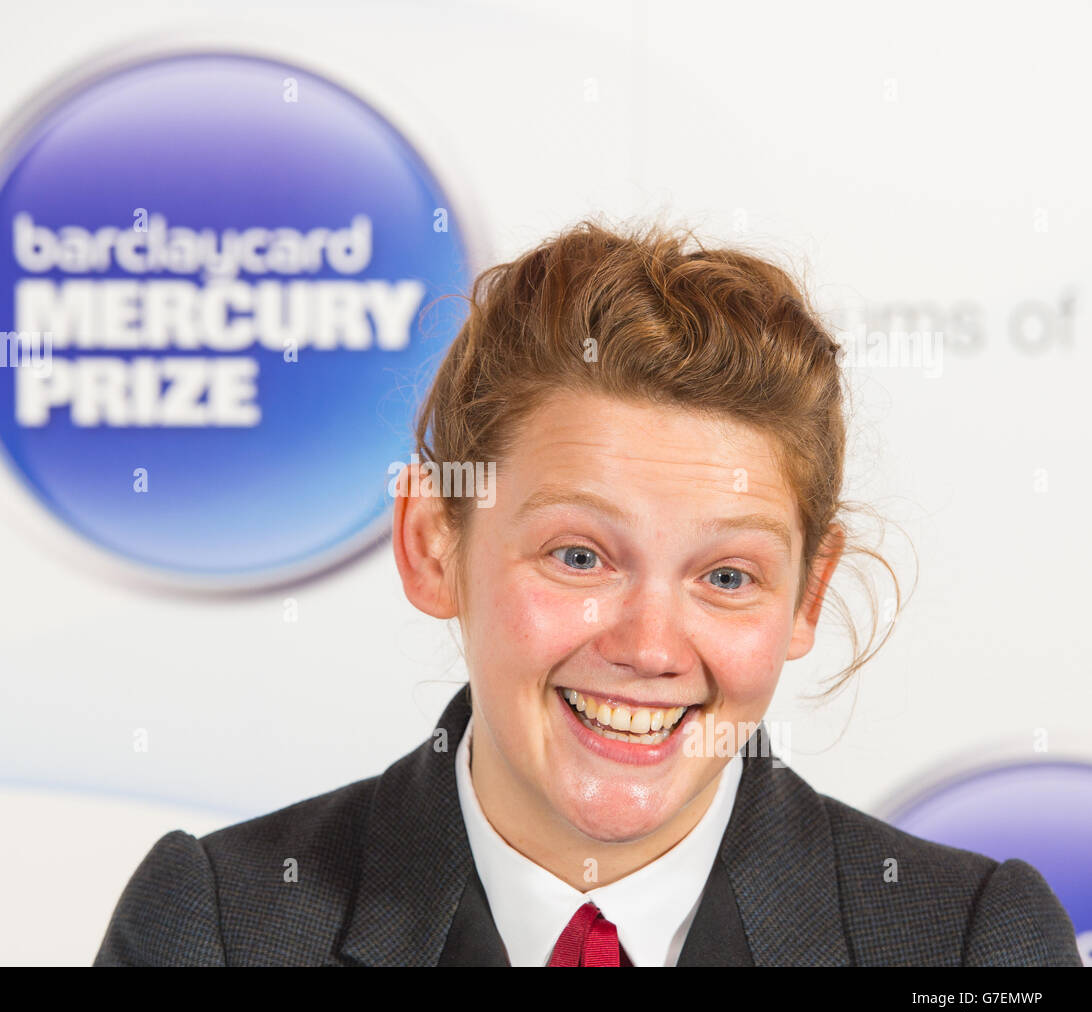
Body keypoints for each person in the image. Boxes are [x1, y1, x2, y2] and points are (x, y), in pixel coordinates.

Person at [93, 217, 1081, 966]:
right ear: (432, 546)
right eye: (578, 557)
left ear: (806, 599)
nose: (650, 645)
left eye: (727, 576)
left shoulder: (966, 946)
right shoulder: (219, 928)